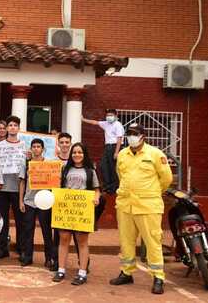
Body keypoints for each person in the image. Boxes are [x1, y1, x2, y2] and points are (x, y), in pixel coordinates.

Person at [109, 123, 172, 295]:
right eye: (129, 134)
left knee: (152, 242)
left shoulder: (155, 154)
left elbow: (166, 179)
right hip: (125, 205)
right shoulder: (122, 154)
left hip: (148, 206)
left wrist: (152, 192)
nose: (131, 137)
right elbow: (120, 175)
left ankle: (158, 277)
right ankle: (127, 272)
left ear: (143, 136)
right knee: (126, 241)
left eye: (135, 134)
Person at [52, 143, 101, 285]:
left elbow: (96, 189)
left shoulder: (90, 171)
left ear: (84, 154)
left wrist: (96, 197)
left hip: (82, 211)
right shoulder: (65, 170)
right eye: (74, 152)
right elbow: (58, 186)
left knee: (82, 241)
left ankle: (82, 272)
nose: (77, 155)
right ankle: (61, 270)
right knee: (64, 239)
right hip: (66, 210)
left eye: (80, 152)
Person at [18, 139, 57, 270]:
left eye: (38, 146)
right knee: (28, 230)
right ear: (31, 148)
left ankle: (49, 258)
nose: (36, 149)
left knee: (46, 231)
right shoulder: (26, 163)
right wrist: (20, 201)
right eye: (33, 146)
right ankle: (27, 257)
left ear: (43, 149)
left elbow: (54, 182)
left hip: (44, 201)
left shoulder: (49, 164)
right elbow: (22, 182)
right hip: (29, 200)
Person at [0, 116, 26, 258]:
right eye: (10, 125)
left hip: (18, 189)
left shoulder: (25, 146)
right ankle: (2, 249)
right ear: (6, 128)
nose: (12, 127)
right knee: (2, 220)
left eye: (15, 125)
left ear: (18, 128)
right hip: (2, 188)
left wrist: (29, 158)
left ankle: (21, 247)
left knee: (21, 221)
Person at [82, 109, 124, 194]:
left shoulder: (118, 125)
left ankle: (114, 188)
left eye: (111, 115)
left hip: (115, 146)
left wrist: (116, 152)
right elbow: (95, 122)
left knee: (113, 168)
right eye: (108, 115)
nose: (109, 117)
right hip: (107, 147)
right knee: (103, 166)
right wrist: (83, 119)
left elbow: (119, 138)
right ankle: (108, 186)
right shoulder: (106, 124)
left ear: (116, 116)